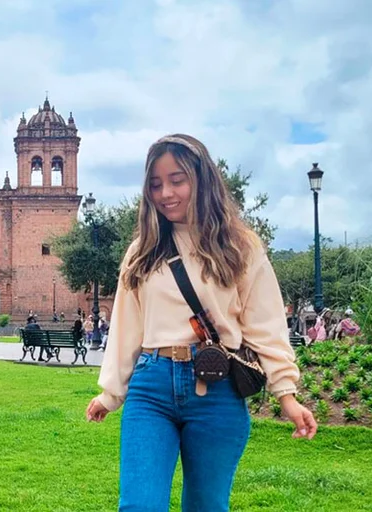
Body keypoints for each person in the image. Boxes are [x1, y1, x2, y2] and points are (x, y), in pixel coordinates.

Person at [85, 134, 316, 511]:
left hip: (217, 389)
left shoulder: (241, 246)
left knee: (206, 505)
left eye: (178, 180)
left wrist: (286, 395)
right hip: (152, 386)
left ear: (202, 178)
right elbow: (127, 326)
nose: (166, 193)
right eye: (156, 184)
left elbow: (266, 325)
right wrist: (111, 394)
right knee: (139, 505)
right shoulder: (142, 250)